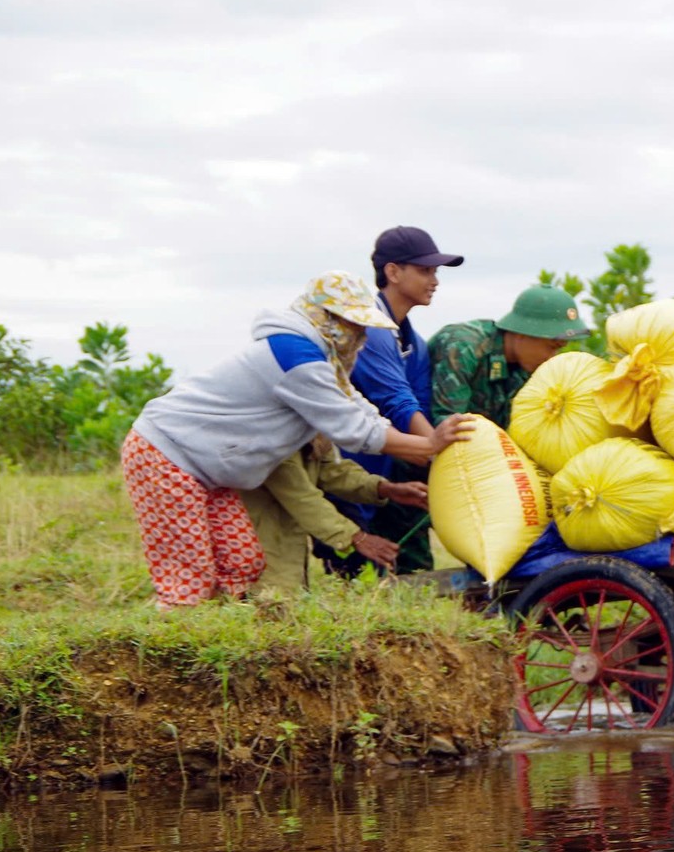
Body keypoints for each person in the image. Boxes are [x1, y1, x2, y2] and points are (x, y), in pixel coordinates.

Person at [120, 273, 472, 609]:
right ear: (323, 316)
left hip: (210, 471)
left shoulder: (322, 362)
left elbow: (356, 408)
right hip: (166, 453)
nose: (360, 335)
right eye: (353, 323)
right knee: (189, 579)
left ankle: (214, 634)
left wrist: (388, 483)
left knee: (242, 562)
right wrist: (427, 445)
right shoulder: (295, 357)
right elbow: (352, 429)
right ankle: (168, 645)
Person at [331, 225, 465, 576]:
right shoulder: (370, 328)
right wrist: (439, 452)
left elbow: (418, 407)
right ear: (392, 272)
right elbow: (397, 402)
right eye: (424, 270)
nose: (434, 280)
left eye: (435, 271)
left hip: (382, 478)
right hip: (340, 475)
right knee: (346, 580)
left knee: (386, 581)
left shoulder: (413, 343)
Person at [239, 439, 429, 596]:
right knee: (266, 601)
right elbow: (301, 496)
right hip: (253, 538)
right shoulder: (265, 431)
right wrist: (356, 537)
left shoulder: (310, 422)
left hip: (283, 536)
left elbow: (332, 468)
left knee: (283, 602)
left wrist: (384, 488)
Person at [427, 285, 591, 429]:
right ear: (522, 333)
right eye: (551, 347)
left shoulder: (527, 369)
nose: (552, 357)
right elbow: (448, 425)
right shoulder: (464, 347)